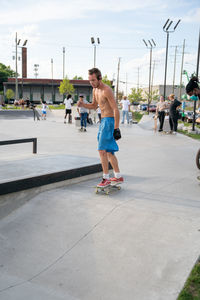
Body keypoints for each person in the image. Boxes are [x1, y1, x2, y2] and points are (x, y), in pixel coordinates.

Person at [77, 67, 123, 187]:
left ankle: (106, 178)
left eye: (93, 80)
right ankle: (118, 176)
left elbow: (115, 109)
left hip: (109, 121)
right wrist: (83, 104)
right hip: (103, 121)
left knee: (101, 150)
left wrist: (116, 128)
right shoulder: (94, 90)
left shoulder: (107, 90)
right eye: (89, 80)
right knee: (108, 152)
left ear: (99, 78)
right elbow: (93, 105)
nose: (91, 82)